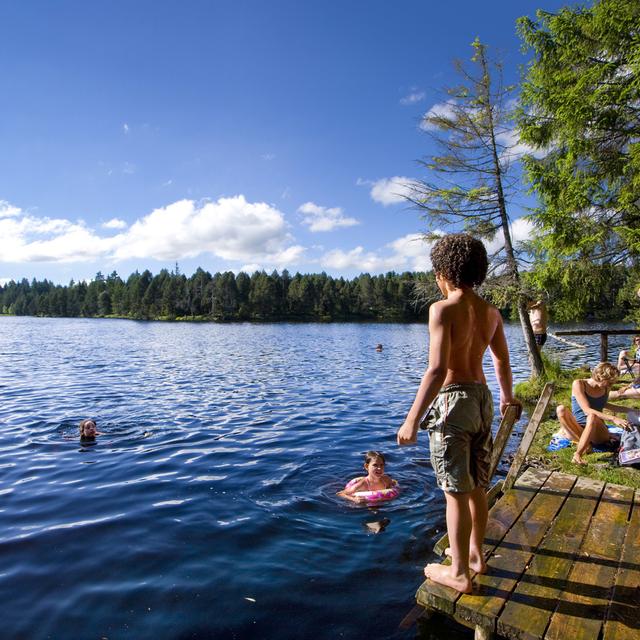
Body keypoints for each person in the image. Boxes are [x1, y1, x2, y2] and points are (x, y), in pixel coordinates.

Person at [396, 233, 521, 595]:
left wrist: (412, 420)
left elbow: (436, 370)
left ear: (443, 273)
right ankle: (476, 556)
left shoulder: (442, 309)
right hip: (482, 399)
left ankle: (460, 574)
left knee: (454, 491)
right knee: (478, 486)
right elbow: (502, 360)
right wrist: (506, 398)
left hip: (453, 402)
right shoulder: (491, 312)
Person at [556, 362, 633, 465]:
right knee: (560, 409)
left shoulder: (605, 388)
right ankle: (585, 445)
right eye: (609, 382)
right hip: (578, 428)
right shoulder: (579, 384)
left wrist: (631, 410)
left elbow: (604, 404)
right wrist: (613, 419)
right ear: (600, 376)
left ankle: (578, 454)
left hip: (598, 431)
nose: (611, 385)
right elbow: (586, 410)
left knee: (592, 417)